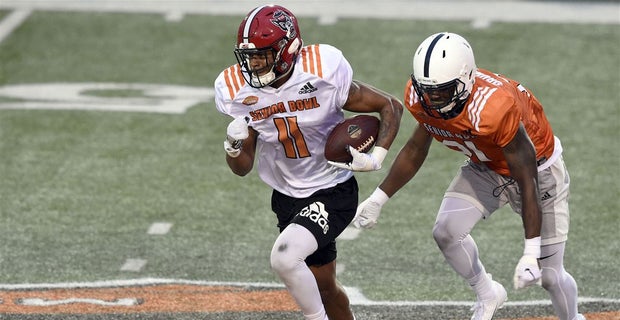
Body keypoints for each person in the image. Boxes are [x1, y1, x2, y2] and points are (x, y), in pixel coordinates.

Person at [354, 32, 584, 320]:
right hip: (486, 165)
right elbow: (415, 149)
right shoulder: (421, 97)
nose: (431, 100)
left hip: (537, 170)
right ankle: (489, 295)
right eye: (425, 90)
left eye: (440, 92)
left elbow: (527, 181)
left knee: (549, 276)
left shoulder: (493, 108)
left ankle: (574, 318)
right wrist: (378, 198)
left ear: (465, 79)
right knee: (446, 232)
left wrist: (530, 250)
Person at [214, 5, 403, 320]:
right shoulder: (235, 90)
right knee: (325, 287)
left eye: (262, 54)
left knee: (285, 259)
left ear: (288, 50)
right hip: (286, 195)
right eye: (249, 56)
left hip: (332, 190)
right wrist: (234, 147)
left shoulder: (321, 71)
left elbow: (390, 106)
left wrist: (376, 158)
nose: (254, 64)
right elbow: (243, 167)